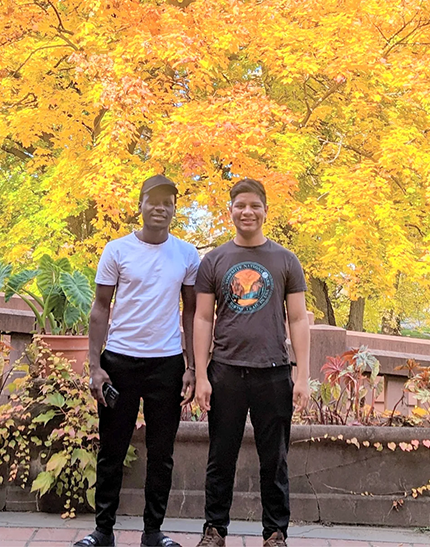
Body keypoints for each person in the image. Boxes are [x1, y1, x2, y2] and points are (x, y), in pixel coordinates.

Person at [75, 175, 200, 547]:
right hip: (119, 362)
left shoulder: (186, 254)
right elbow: (100, 308)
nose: (160, 207)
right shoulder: (117, 250)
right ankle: (103, 531)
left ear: (175, 210)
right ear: (141, 204)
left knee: (162, 454)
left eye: (168, 202)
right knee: (111, 449)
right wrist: (95, 366)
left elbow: (191, 314)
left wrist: (192, 367)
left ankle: (153, 533)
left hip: (167, 364)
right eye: (154, 200)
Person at [193, 178, 310, 547]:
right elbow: (201, 319)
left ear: (265, 210)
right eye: (240, 205)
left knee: (274, 459)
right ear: (230, 210)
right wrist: (200, 375)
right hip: (225, 370)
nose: (247, 212)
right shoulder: (213, 260)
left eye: (254, 205)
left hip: (274, 371)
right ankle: (214, 530)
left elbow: (299, 319)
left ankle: (275, 533)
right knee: (220, 457)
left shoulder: (286, 260)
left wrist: (303, 375)